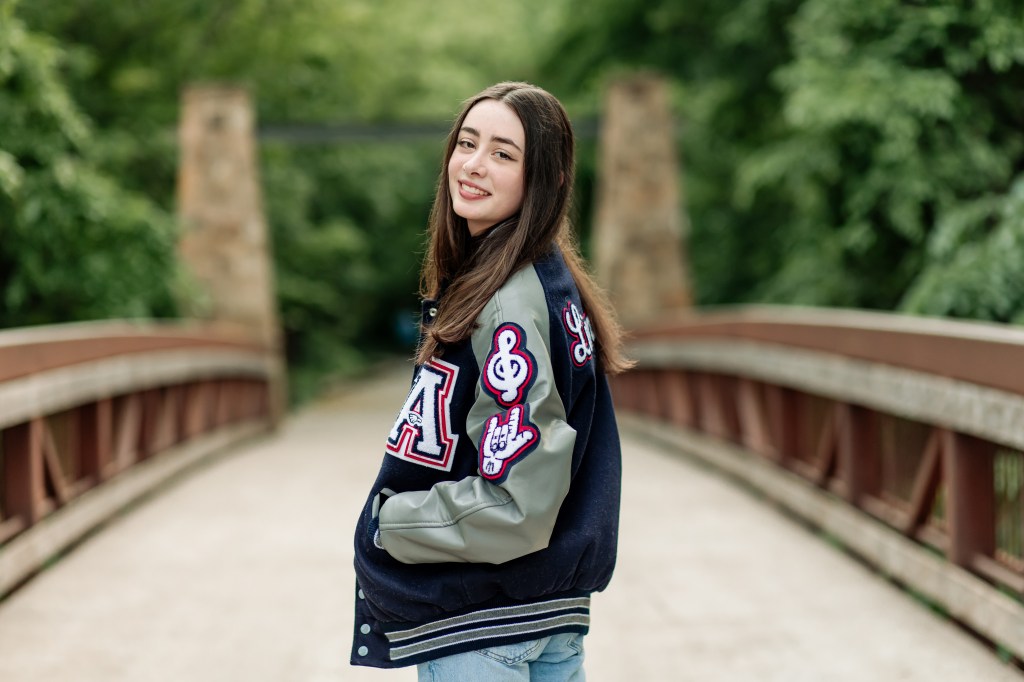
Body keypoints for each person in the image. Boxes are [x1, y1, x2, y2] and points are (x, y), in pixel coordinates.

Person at [351, 81, 631, 681]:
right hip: (542, 613)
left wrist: (389, 522)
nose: (473, 165)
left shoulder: (508, 305)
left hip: (483, 623)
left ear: (547, 180)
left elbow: (518, 503)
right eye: (467, 143)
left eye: (504, 154)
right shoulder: (549, 280)